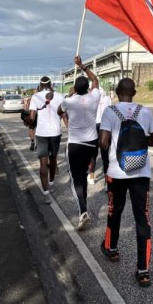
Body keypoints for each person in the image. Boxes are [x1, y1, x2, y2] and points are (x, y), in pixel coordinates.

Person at [99, 77, 153, 287]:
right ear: (134, 93)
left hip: (117, 172)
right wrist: (140, 139)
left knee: (114, 211)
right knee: (142, 219)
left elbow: (104, 142)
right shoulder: (145, 111)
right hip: (141, 173)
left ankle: (112, 249)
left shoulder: (110, 111)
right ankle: (143, 271)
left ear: (117, 92)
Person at [57, 56, 100, 231]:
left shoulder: (69, 101)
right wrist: (82, 66)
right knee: (83, 174)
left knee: (76, 179)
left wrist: (69, 94)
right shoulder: (94, 97)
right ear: (88, 87)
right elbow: (95, 79)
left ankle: (83, 210)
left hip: (75, 144)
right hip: (91, 143)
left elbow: (60, 110)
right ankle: (84, 204)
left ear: (75, 88)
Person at [29, 76, 64, 204]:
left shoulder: (36, 97)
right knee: (53, 158)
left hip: (42, 133)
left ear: (40, 84)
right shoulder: (59, 96)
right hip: (55, 132)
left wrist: (28, 121)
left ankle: (46, 194)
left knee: (43, 163)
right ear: (51, 84)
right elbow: (63, 113)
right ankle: (52, 182)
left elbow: (32, 117)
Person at [87, 86, 111, 185]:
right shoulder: (107, 98)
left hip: (94, 126)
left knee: (93, 153)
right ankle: (107, 181)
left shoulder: (90, 98)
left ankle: (91, 176)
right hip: (105, 127)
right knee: (105, 155)